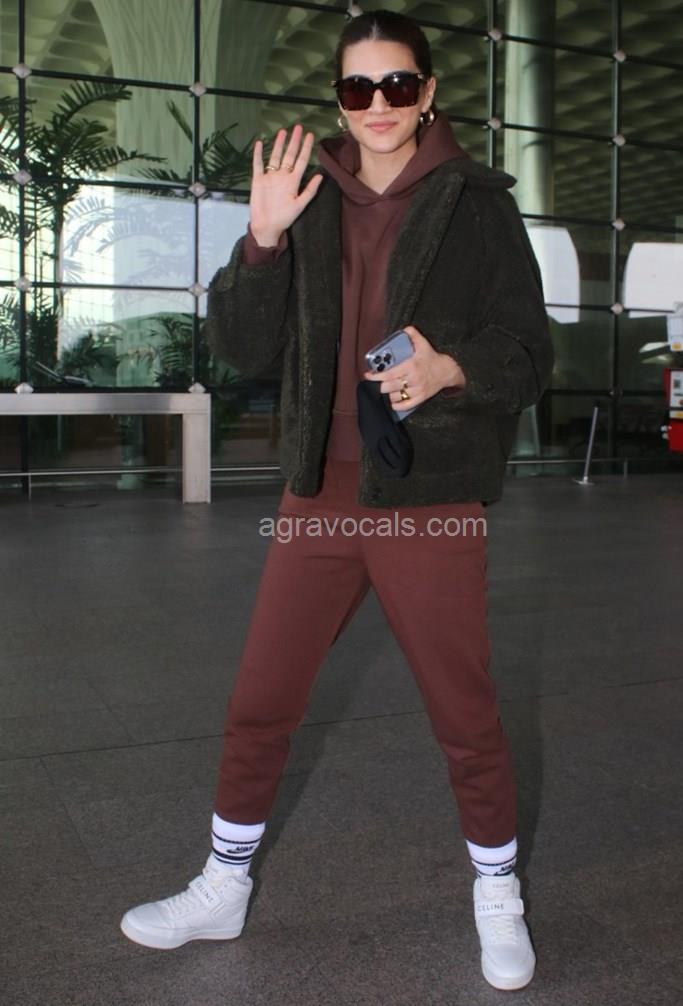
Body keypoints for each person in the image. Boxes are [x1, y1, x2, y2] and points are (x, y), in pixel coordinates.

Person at [120, 8, 553, 993]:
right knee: (260, 698)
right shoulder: (307, 193)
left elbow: (530, 352)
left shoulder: (478, 203)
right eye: (358, 88)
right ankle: (223, 885)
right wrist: (262, 240)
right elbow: (243, 349)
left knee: (464, 710)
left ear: (428, 92)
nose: (378, 105)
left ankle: (497, 894)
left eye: (398, 84)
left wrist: (450, 368)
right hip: (319, 493)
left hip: (429, 496)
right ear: (339, 99)